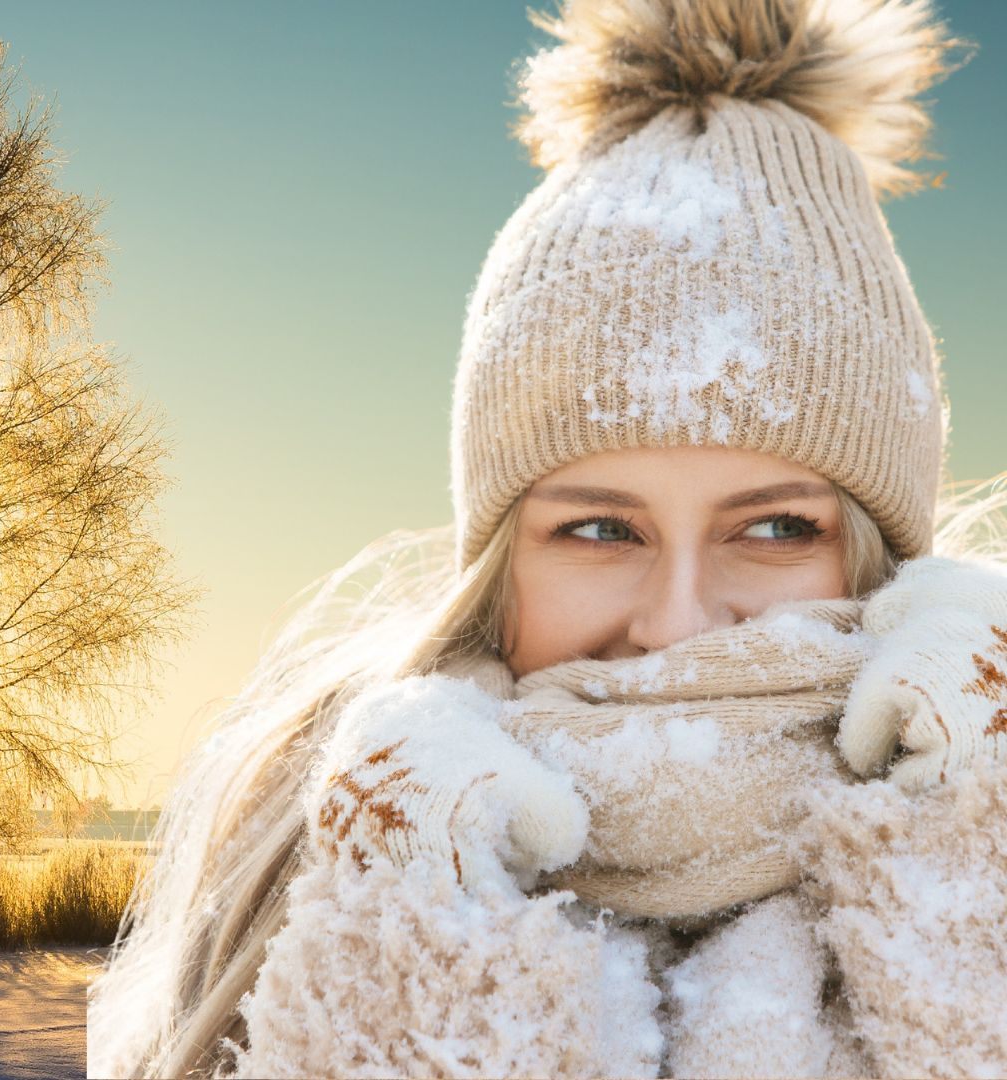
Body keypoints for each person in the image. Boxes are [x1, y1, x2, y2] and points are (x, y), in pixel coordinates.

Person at [88, 0, 1007, 1075]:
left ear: (882, 561)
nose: (673, 622)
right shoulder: (308, 900)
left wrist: (978, 856)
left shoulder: (983, 849)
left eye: (772, 526)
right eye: (598, 529)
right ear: (500, 568)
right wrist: (415, 957)